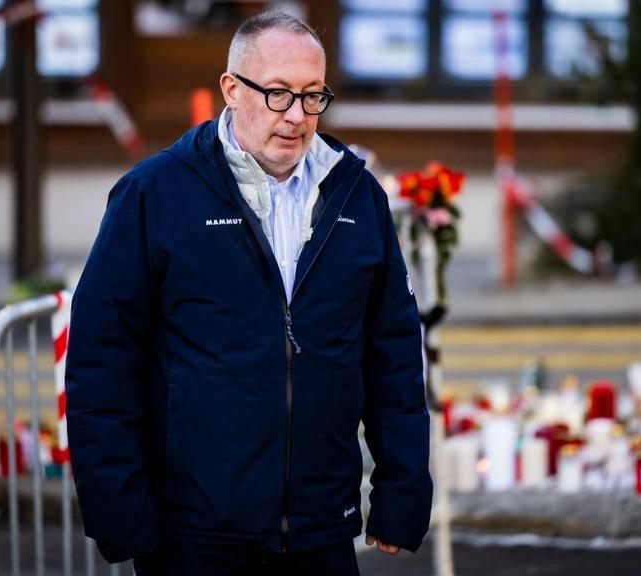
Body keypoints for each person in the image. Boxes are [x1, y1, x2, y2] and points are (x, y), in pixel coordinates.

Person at [65, 11, 433, 575]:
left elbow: (394, 355)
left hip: (321, 528)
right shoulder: (153, 194)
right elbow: (101, 361)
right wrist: (119, 512)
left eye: (312, 95)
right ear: (232, 90)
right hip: (193, 535)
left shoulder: (358, 195)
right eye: (278, 93)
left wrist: (402, 492)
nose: (297, 116)